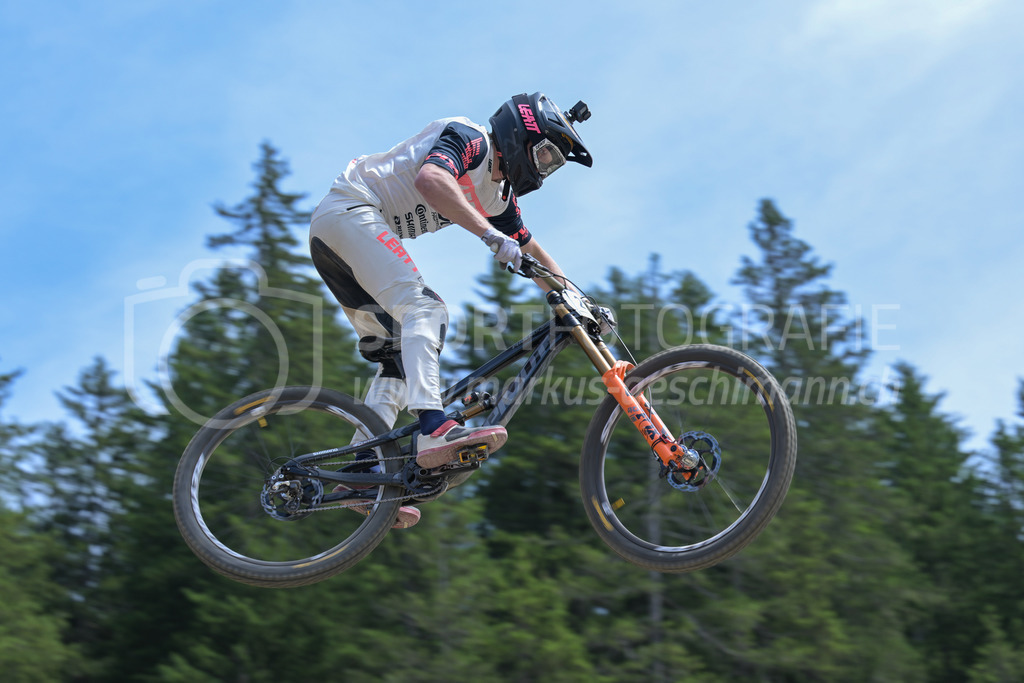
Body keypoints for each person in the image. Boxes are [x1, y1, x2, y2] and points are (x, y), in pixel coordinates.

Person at [309, 93, 593, 527]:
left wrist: (576, 297)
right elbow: (431, 180)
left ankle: (361, 470)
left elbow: (529, 248)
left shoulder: (497, 197)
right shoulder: (470, 138)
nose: (546, 168)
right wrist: (488, 236)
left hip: (336, 241)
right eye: (547, 154)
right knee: (427, 311)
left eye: (554, 163)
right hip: (350, 211)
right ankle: (433, 427)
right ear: (521, 135)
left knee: (399, 361)